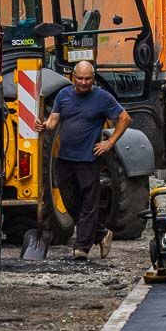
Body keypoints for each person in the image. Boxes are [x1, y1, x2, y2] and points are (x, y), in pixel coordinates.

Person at [35, 61, 132, 259]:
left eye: (88, 79)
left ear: (93, 78)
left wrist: (110, 142)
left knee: (89, 204)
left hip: (89, 159)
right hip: (65, 158)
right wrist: (44, 125)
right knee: (70, 202)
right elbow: (54, 120)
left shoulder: (102, 97)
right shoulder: (63, 95)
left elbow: (125, 118)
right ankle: (102, 233)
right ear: (73, 77)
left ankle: (82, 248)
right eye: (80, 78)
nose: (83, 82)